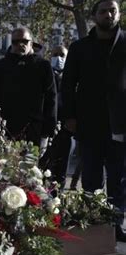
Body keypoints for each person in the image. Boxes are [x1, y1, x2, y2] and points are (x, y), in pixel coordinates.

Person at [61, 0, 126, 240]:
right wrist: (68, 116)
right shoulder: (80, 47)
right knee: (91, 178)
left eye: (113, 11)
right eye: (103, 11)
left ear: (118, 14)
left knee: (118, 178)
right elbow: (67, 85)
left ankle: (116, 225)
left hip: (120, 123)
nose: (108, 15)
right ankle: (93, 224)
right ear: (94, 15)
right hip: (88, 124)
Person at [0, 27, 57, 146]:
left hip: (33, 129)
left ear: (31, 43)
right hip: (4, 129)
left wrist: (48, 131)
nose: (20, 44)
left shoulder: (43, 65)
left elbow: (51, 98)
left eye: (25, 41)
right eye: (15, 41)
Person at [39, 45, 71, 188]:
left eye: (62, 55)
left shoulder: (71, 77)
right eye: (55, 54)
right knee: (44, 167)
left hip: (66, 129)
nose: (58, 58)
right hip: (47, 128)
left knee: (62, 167)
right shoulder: (45, 74)